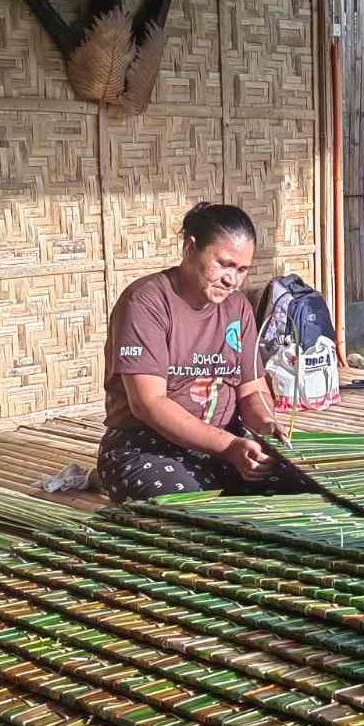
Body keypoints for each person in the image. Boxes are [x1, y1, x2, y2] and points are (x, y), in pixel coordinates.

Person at [98, 202, 309, 503]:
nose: (231, 280)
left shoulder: (238, 308)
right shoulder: (145, 303)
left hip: (227, 444)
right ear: (189, 248)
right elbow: (148, 403)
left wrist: (265, 424)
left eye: (241, 270)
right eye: (223, 264)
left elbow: (252, 389)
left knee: (305, 488)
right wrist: (227, 446)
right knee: (193, 514)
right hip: (148, 446)